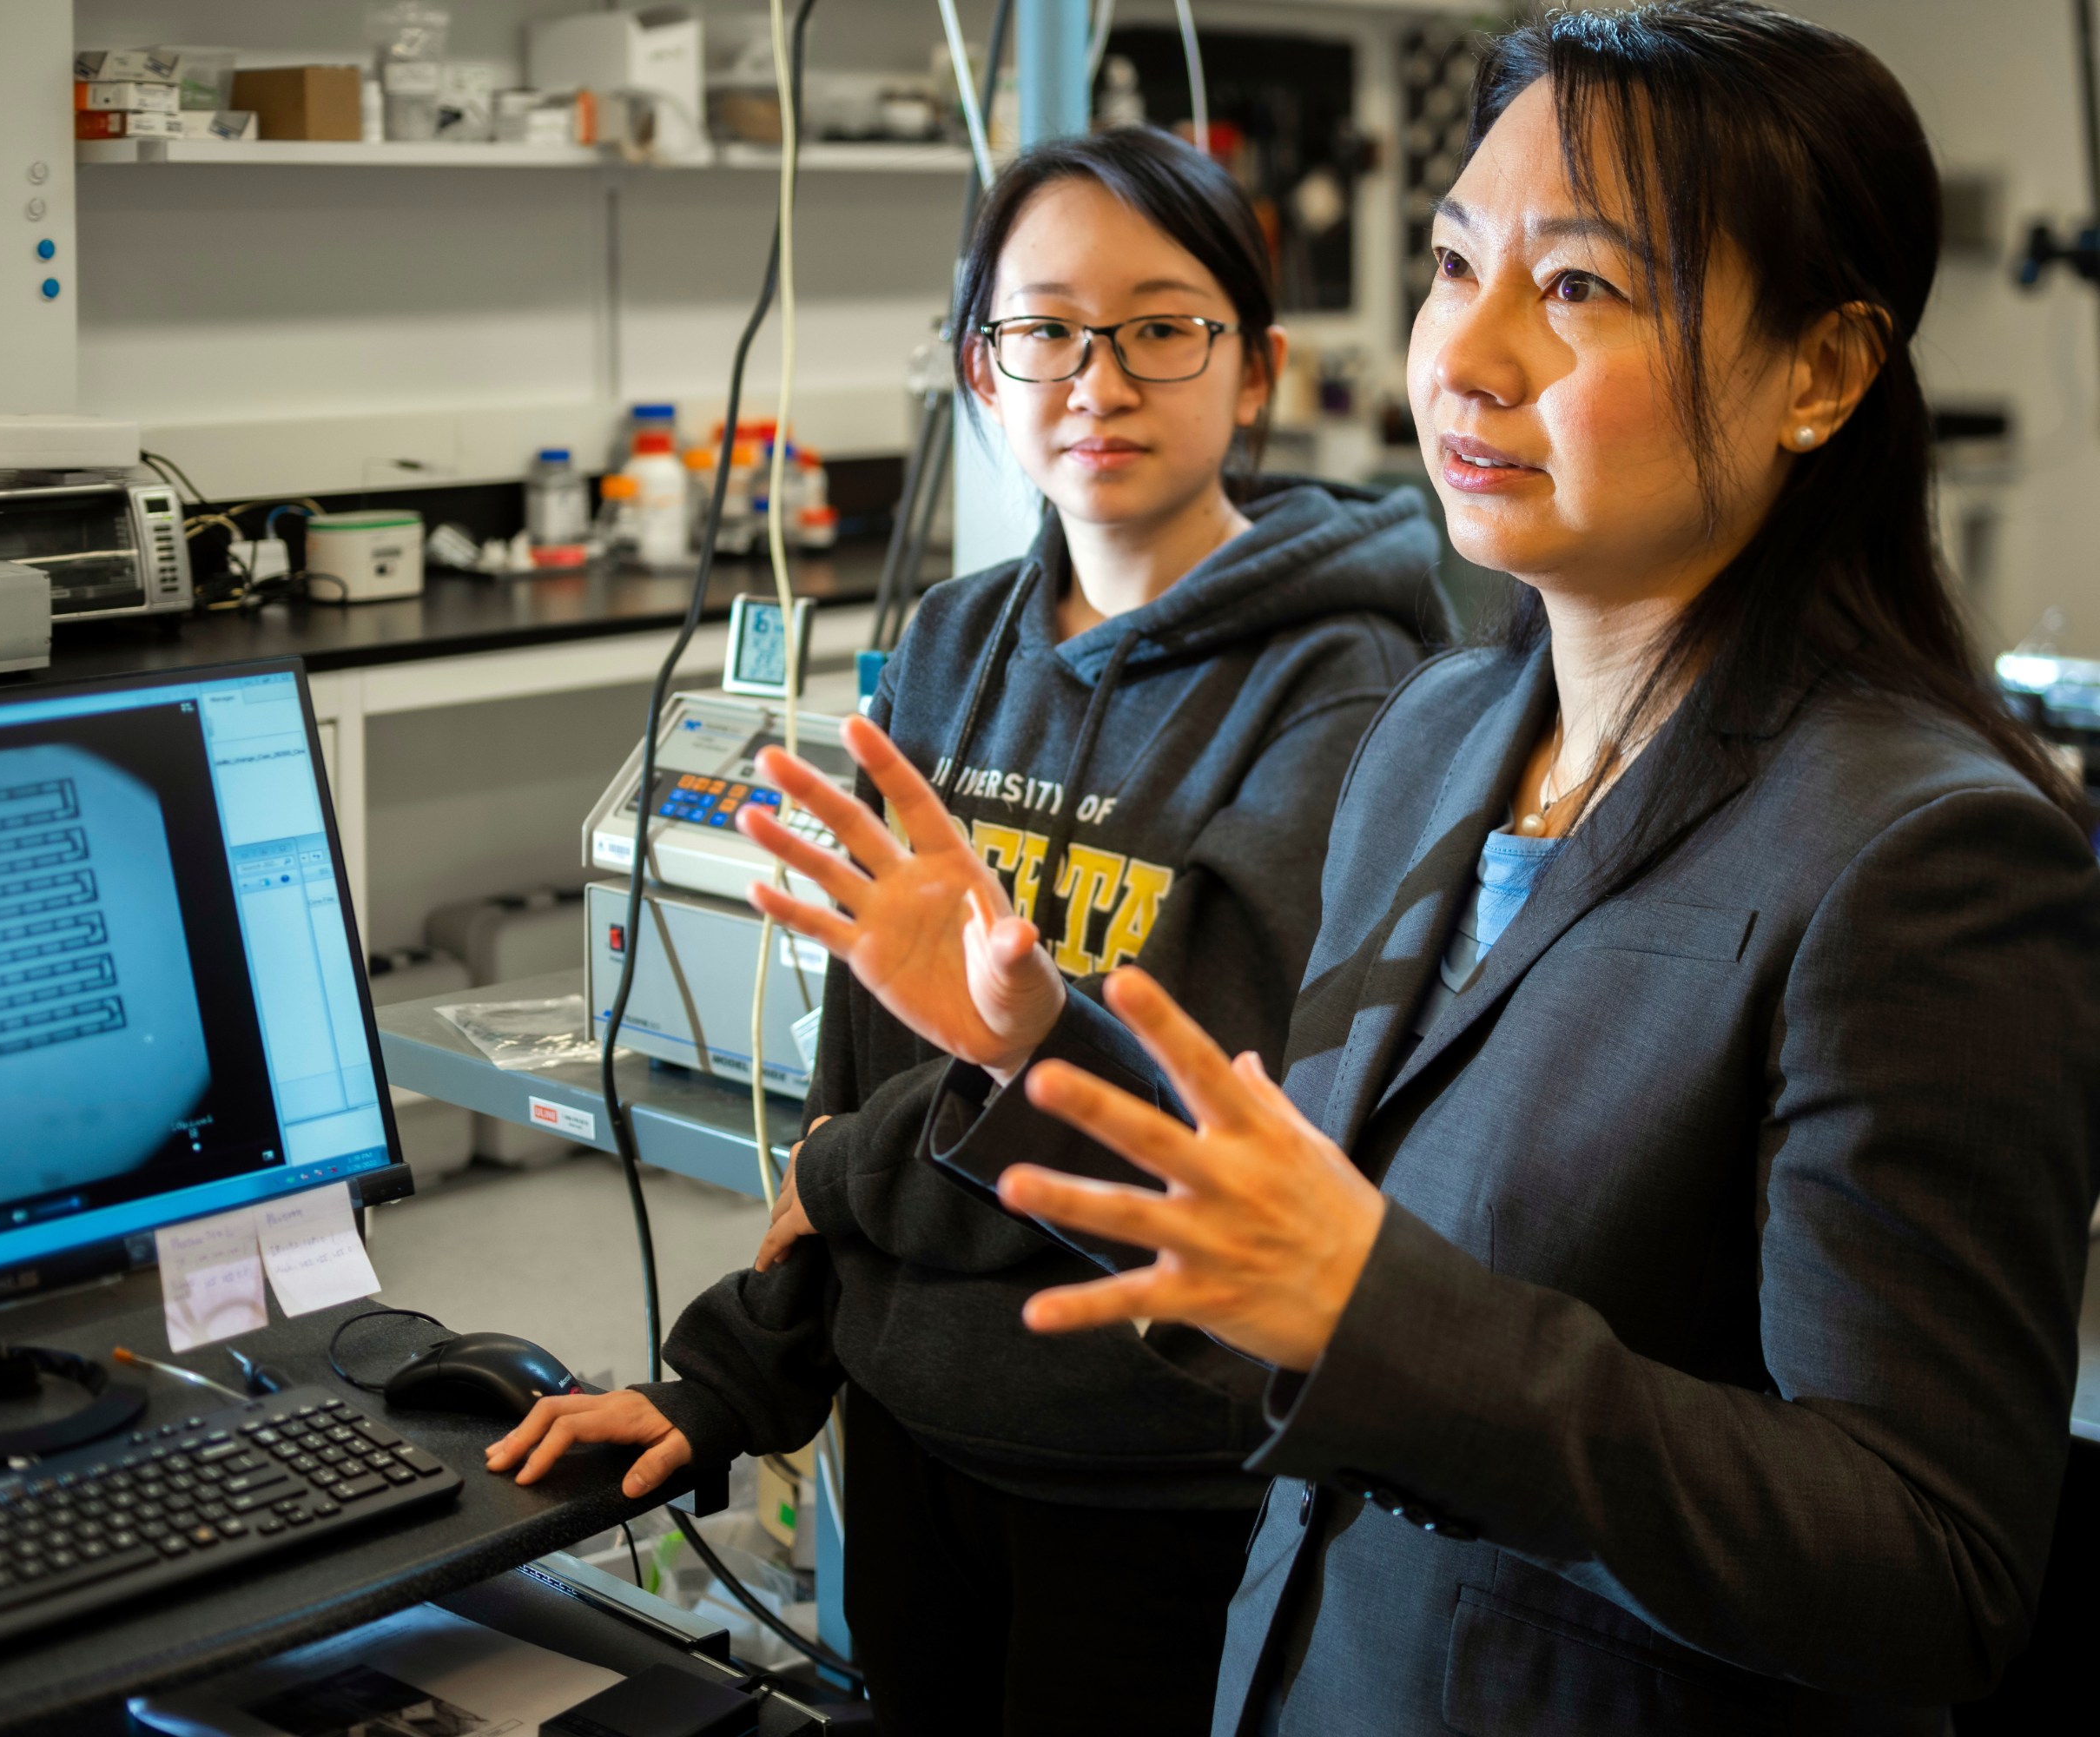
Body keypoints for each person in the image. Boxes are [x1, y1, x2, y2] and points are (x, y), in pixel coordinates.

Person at [719, 4, 2100, 1732]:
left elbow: (1926, 1570)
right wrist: (1038, 1055)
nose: (1469, 354)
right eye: (1458, 265)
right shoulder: (1441, 741)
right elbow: (1298, 1244)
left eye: (1582, 288)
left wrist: (1385, 1316)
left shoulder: (1926, 860)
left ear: (1818, 372)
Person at [487, 128, 1441, 1734]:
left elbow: (1187, 1128)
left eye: (1161, 324)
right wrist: (732, 1382)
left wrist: (848, 1170)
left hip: (1158, 1482)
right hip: (914, 1446)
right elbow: (858, 1061)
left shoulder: (1341, 691)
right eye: (1045, 329)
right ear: (980, 373)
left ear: (1256, 368)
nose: (1099, 377)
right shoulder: (947, 643)